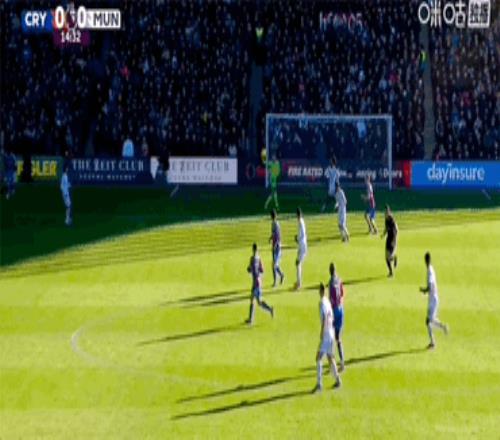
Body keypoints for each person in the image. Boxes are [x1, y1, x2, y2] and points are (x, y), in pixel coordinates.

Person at [312, 283, 341, 393]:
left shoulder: (322, 303)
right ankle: (338, 380)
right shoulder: (328, 302)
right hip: (331, 331)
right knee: (330, 357)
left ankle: (319, 384)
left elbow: (324, 318)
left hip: (326, 333)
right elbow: (331, 316)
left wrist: (322, 332)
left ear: (320, 291)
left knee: (318, 358)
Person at [419, 252, 449, 349]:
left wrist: (424, 290)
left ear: (426, 260)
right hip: (432, 299)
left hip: (433, 300)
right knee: (429, 321)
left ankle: (433, 342)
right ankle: (443, 328)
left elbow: (431, 285)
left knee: (428, 321)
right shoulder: (430, 269)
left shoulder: (430, 271)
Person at [245, 243, 274, 325]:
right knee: (255, 300)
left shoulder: (252, 259)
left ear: (253, 249)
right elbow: (262, 270)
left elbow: (250, 269)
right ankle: (251, 319)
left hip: (255, 283)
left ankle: (269, 309)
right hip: (258, 281)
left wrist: (249, 270)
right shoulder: (259, 258)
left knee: (257, 301)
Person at [328, 263, 345, 371]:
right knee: (338, 338)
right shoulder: (339, 279)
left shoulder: (330, 282)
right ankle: (342, 362)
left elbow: (330, 298)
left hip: (334, 311)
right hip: (341, 310)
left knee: (331, 338)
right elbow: (342, 293)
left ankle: (333, 364)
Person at [269, 209, 285, 287]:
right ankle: (281, 275)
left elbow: (278, 236)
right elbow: (274, 234)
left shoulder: (276, 224)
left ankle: (275, 281)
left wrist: (275, 245)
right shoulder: (273, 223)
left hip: (277, 247)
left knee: (274, 265)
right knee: (275, 264)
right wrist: (270, 238)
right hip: (274, 246)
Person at [381, 205, 398, 277]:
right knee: (386, 257)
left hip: (393, 239)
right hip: (388, 238)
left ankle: (391, 272)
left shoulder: (392, 219)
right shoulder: (386, 219)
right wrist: (383, 235)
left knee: (389, 256)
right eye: (385, 212)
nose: (385, 213)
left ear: (389, 211)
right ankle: (391, 271)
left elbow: (396, 228)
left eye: (386, 211)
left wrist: (395, 238)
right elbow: (386, 228)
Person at [294, 207, 307, 290]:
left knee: (298, 263)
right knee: (298, 263)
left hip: (302, 245)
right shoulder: (301, 221)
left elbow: (302, 234)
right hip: (301, 245)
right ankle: (298, 282)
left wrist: (297, 238)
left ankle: (299, 283)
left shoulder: (301, 222)